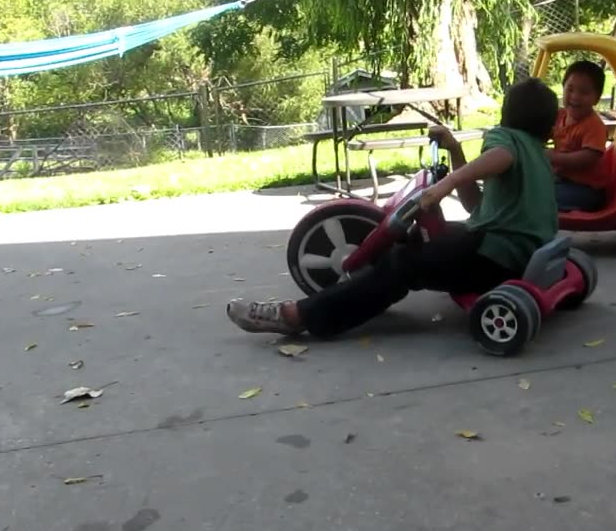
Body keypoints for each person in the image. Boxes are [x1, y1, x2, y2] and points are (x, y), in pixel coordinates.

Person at [225, 78, 560, 338]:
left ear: (508, 113)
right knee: (423, 244)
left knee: (405, 263)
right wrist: (455, 150)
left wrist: (443, 186)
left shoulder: (507, 140)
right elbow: (476, 207)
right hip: (515, 251)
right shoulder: (538, 155)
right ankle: (365, 290)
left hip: (497, 259)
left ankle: (299, 316)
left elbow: (500, 158)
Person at [548, 60, 611, 212]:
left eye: (584, 92)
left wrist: (552, 157)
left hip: (587, 190)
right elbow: (544, 132)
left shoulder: (594, 126)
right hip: (562, 180)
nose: (575, 97)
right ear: (562, 89)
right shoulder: (560, 116)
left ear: (596, 98)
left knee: (540, 195)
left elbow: (588, 158)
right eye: (570, 89)